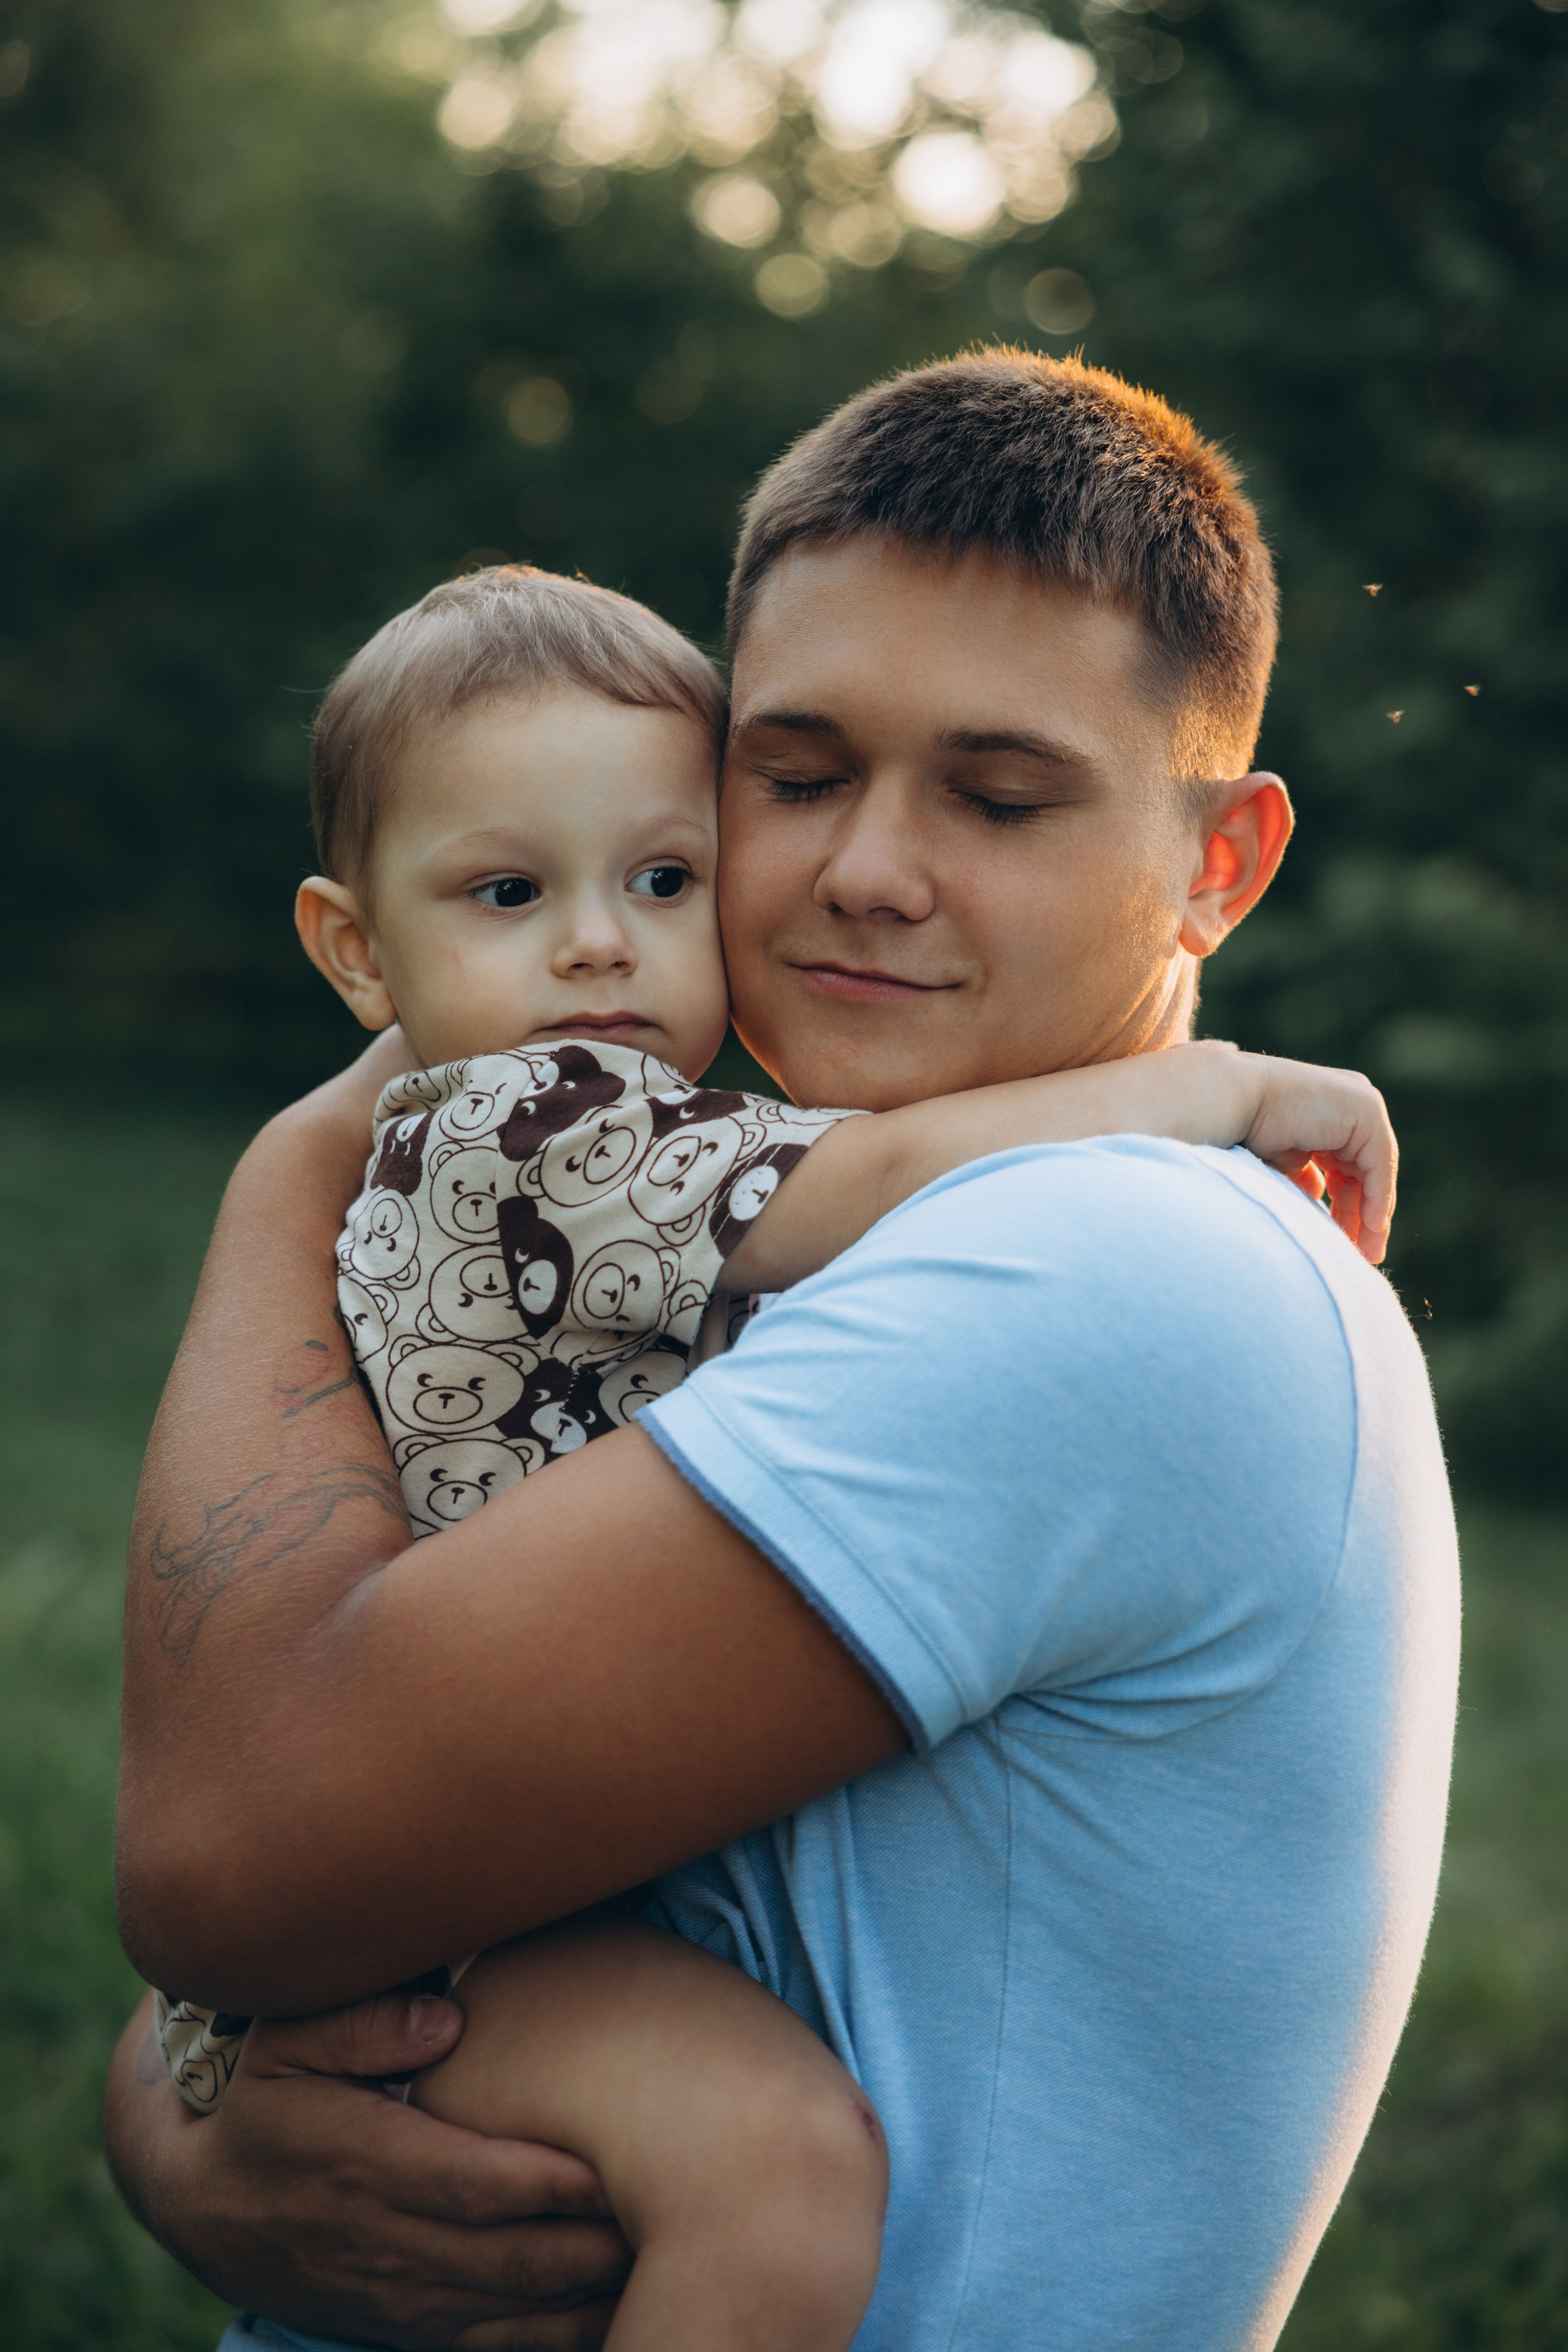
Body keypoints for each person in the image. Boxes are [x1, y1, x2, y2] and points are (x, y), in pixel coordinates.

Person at [109, 350, 1460, 2352]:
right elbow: (385, 1859)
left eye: (997, 797)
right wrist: (191, 2103)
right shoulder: (786, 1249)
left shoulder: (1108, 1261)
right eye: (796, 774)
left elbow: (234, 1861)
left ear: (1222, 864)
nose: (863, 872)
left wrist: (297, 1163)